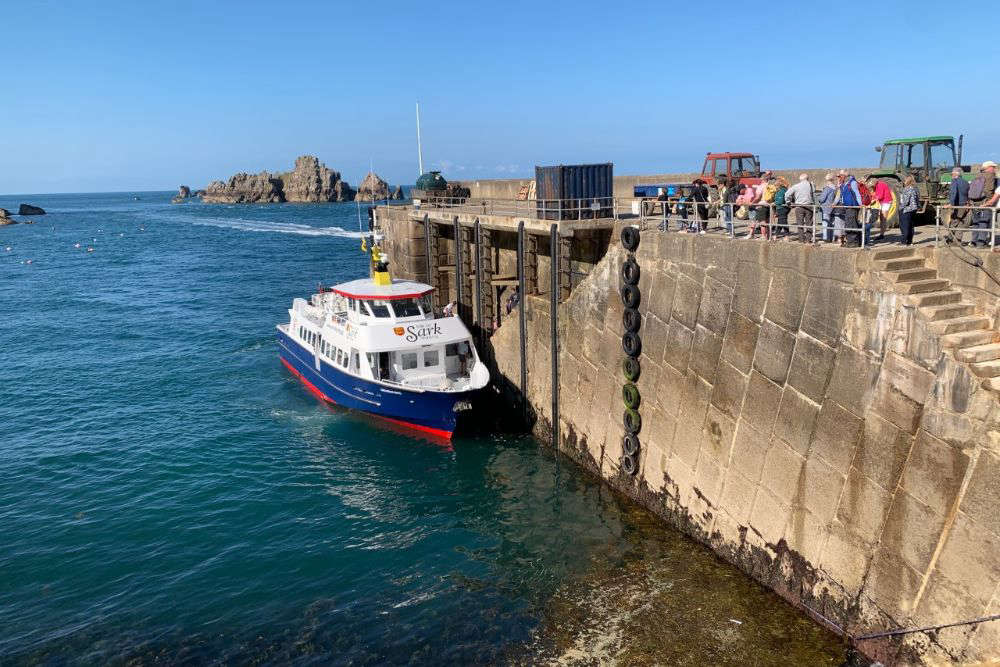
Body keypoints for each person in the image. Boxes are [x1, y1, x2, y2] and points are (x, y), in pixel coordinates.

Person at [970, 161, 998, 248]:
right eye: (993, 167)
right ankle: (981, 243)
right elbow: (989, 190)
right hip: (984, 203)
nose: (994, 169)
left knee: (975, 223)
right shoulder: (990, 176)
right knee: (984, 222)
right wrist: (989, 201)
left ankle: (974, 242)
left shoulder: (977, 176)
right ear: (988, 168)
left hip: (975, 202)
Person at [837, 170, 865, 247]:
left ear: (844, 176)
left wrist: (860, 205)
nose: (839, 177)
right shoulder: (844, 184)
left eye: (840, 176)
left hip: (853, 206)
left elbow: (857, 194)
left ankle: (854, 242)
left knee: (852, 224)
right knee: (848, 224)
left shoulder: (852, 183)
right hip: (847, 207)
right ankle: (850, 241)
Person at [785, 173, 815, 242]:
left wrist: (788, 202)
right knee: (809, 224)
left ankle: (801, 239)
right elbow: (813, 194)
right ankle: (808, 239)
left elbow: (787, 194)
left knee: (800, 223)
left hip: (799, 206)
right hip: (809, 206)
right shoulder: (811, 185)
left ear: (800, 179)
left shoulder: (796, 186)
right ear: (807, 178)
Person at [947, 167, 970, 242]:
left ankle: (950, 239)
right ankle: (958, 240)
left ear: (955, 174)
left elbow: (954, 193)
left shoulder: (954, 181)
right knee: (961, 222)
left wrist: (951, 204)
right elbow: (967, 194)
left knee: (954, 221)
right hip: (964, 204)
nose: (951, 176)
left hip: (957, 205)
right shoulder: (966, 182)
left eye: (952, 174)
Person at [899, 175, 919, 246]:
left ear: (907, 181)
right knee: (911, 226)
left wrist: (900, 208)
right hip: (913, 209)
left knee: (904, 226)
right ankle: (910, 241)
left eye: (904, 180)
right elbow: (917, 199)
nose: (903, 182)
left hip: (906, 210)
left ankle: (903, 241)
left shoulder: (907, 189)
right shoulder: (915, 189)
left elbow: (905, 201)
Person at [819, 173, 837, 242]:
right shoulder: (835, 188)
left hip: (826, 207)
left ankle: (826, 238)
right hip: (833, 207)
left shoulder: (827, 188)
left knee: (825, 223)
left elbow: (822, 198)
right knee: (832, 224)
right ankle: (832, 238)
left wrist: (819, 199)